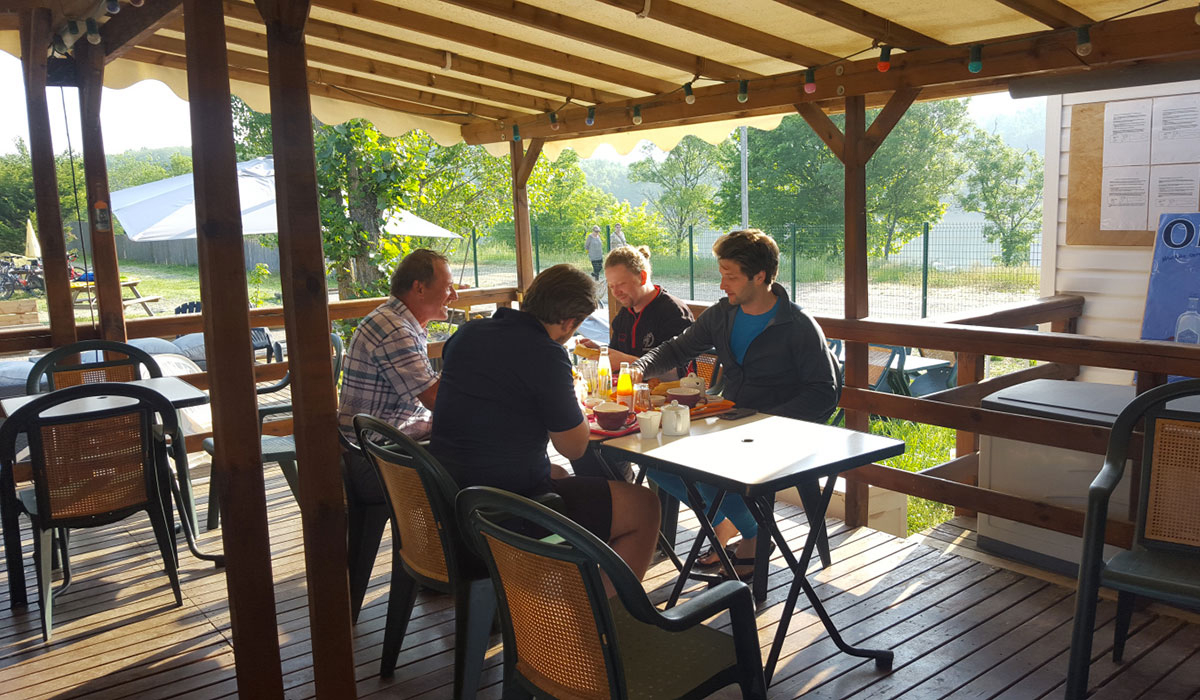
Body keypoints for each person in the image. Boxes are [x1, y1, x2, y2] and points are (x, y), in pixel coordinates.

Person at [431, 264, 661, 583]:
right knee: (643, 505)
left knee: (559, 474)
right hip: (502, 512)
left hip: (448, 496)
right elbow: (574, 446)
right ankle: (602, 619)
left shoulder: (469, 333)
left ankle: (546, 587)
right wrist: (575, 400)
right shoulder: (546, 354)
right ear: (569, 322)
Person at [632, 229, 840, 576]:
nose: (722, 284)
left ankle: (745, 533)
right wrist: (638, 367)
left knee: (708, 470)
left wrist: (767, 421)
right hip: (730, 420)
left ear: (759, 276)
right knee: (654, 460)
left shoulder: (798, 325)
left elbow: (824, 392)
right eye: (722, 274)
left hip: (782, 432)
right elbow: (675, 348)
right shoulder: (723, 315)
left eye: (730, 276)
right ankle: (754, 530)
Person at [338, 248, 459, 503]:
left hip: (376, 449)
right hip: (375, 461)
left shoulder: (395, 320)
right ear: (419, 288)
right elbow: (437, 401)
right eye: (448, 287)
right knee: (479, 467)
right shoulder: (394, 329)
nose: (454, 296)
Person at [582, 245, 694, 380]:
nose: (615, 293)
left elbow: (678, 374)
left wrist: (627, 362)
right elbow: (618, 356)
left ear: (642, 277)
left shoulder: (674, 312)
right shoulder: (624, 314)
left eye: (621, 284)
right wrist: (601, 352)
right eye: (611, 286)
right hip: (628, 394)